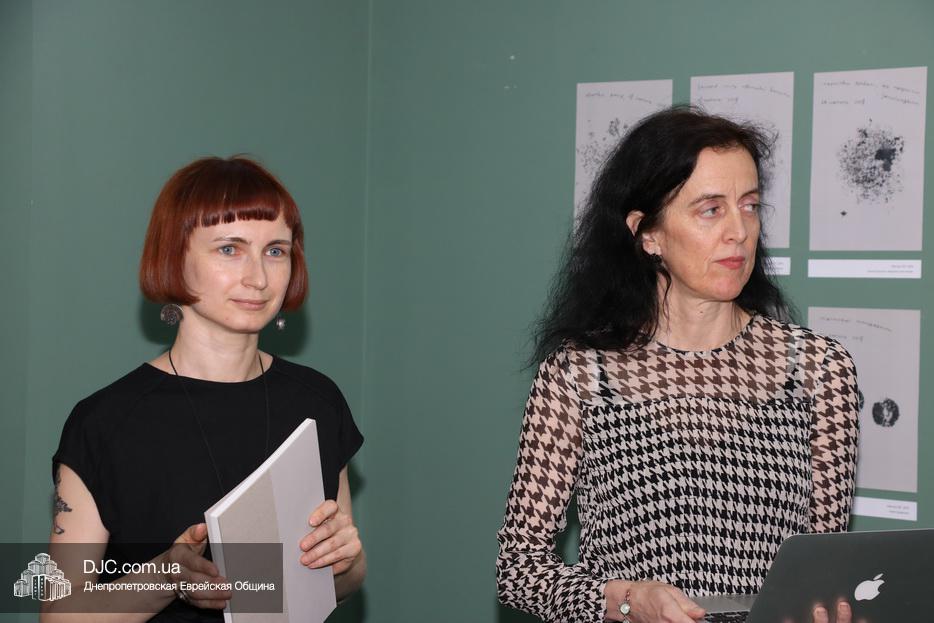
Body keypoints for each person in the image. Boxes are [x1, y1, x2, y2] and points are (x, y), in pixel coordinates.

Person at [496, 107, 859, 623]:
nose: (739, 231)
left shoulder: (819, 369)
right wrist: (625, 600)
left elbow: (826, 570)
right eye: (711, 210)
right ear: (647, 234)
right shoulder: (579, 373)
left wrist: (830, 604)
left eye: (750, 206)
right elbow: (519, 570)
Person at [45, 156, 365, 622]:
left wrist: (346, 561)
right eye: (229, 249)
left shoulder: (319, 401)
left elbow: (343, 581)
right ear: (174, 256)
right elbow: (59, 613)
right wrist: (165, 578)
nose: (258, 278)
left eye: (276, 251)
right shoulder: (104, 423)